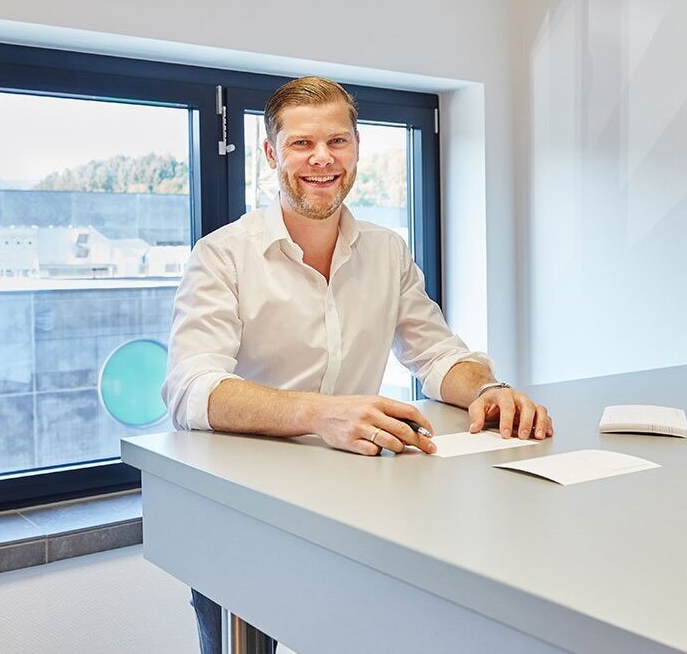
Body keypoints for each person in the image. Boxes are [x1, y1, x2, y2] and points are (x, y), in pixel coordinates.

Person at [160, 76, 552, 654]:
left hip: (353, 509)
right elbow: (191, 390)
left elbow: (437, 353)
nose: (322, 158)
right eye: (301, 143)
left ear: (358, 148)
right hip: (242, 513)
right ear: (270, 153)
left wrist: (486, 389)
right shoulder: (221, 255)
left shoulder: (387, 250)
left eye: (337, 141)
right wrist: (321, 414)